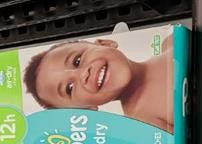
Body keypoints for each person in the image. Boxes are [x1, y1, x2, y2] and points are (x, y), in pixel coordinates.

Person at [22, 35, 174, 133]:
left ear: (106, 43)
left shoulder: (171, 42)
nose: (83, 74)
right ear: (87, 110)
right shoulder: (146, 126)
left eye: (77, 61)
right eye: (69, 88)